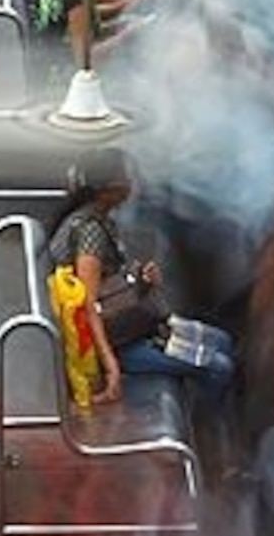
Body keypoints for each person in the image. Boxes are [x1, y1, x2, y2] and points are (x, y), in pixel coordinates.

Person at [41, 149, 233, 388]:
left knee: (222, 340)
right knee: (219, 368)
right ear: (109, 188)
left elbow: (107, 286)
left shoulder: (95, 219)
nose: (133, 182)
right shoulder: (90, 232)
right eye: (127, 176)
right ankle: (206, 422)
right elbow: (89, 304)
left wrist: (138, 280)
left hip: (123, 326)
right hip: (117, 343)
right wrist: (110, 366)